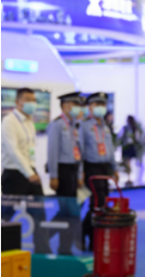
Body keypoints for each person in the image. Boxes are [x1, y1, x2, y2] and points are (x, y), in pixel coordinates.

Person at [1, 87, 51, 254]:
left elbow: (30, 149)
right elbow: (13, 151)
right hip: (14, 173)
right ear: (18, 102)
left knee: (39, 213)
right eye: (28, 100)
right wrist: (29, 173)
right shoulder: (9, 121)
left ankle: (42, 251)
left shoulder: (30, 122)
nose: (32, 103)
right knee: (6, 215)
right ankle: (4, 251)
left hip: (31, 171)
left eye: (34, 100)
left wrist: (32, 171)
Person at [79, 92, 118, 251]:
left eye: (102, 104)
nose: (100, 108)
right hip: (91, 168)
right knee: (97, 203)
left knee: (102, 204)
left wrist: (115, 168)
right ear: (89, 107)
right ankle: (84, 234)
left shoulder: (106, 126)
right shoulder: (84, 126)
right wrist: (80, 171)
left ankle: (92, 237)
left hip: (105, 168)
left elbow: (111, 149)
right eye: (97, 104)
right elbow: (80, 150)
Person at [47, 92, 84, 255]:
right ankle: (46, 238)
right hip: (62, 172)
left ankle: (64, 246)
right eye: (74, 104)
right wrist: (53, 175)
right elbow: (52, 152)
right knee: (68, 212)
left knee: (70, 213)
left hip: (73, 172)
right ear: (64, 106)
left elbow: (78, 151)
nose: (77, 108)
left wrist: (80, 174)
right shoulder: (57, 125)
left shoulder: (74, 125)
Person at [120, 115, 142, 187]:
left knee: (127, 163)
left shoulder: (131, 128)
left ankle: (129, 177)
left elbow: (137, 138)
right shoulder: (131, 128)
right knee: (127, 163)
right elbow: (137, 139)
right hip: (128, 147)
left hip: (128, 147)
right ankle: (128, 177)